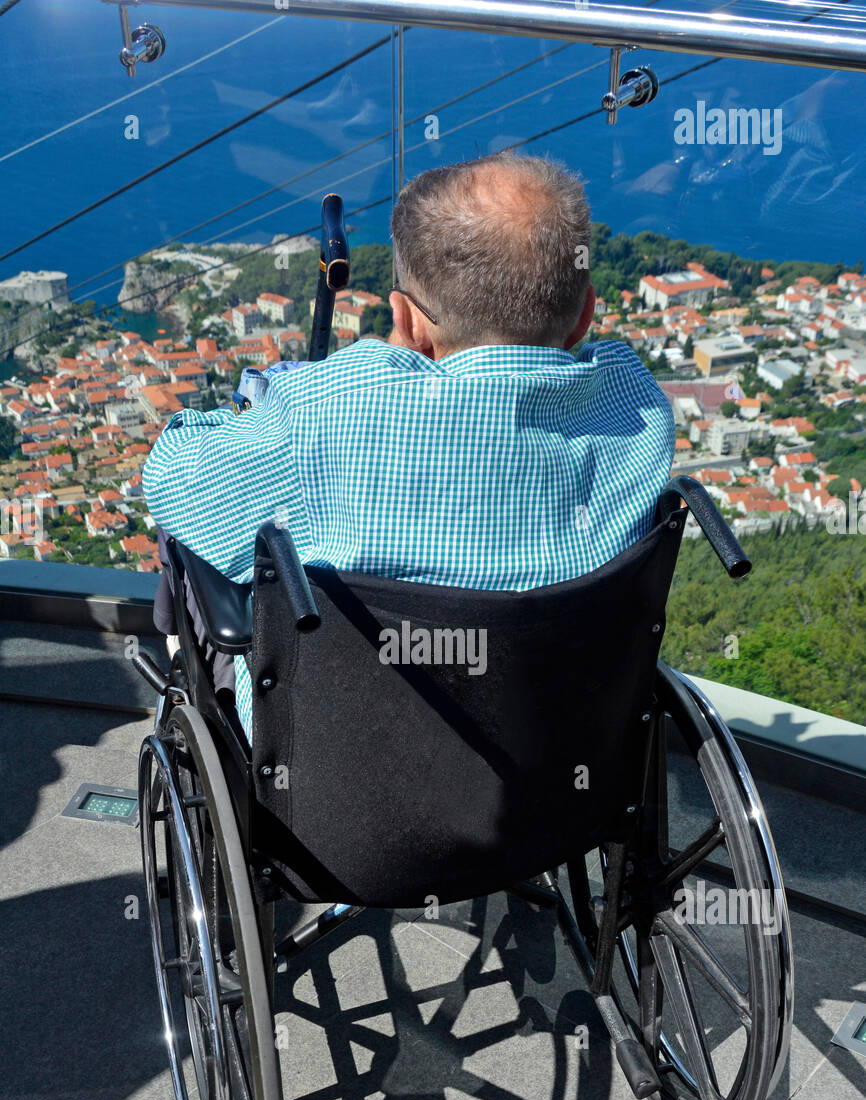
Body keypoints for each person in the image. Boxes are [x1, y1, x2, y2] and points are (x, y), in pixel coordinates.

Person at [143, 151, 675, 743]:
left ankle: (173, 674)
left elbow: (168, 478)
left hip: (344, 762)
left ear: (407, 320)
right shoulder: (639, 409)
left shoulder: (331, 415)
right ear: (585, 315)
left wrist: (234, 415)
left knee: (189, 536)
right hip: (560, 746)